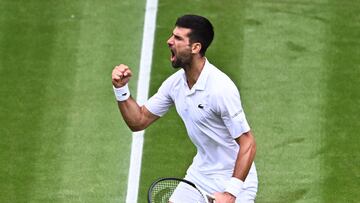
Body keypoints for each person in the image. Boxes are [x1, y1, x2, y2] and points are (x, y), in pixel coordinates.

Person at [112, 14, 258, 203]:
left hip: (235, 179)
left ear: (196, 47)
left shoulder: (220, 89)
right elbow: (138, 121)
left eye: (178, 38)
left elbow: (248, 143)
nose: (169, 41)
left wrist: (230, 193)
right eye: (172, 36)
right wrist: (121, 89)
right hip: (200, 175)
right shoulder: (175, 85)